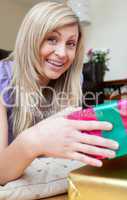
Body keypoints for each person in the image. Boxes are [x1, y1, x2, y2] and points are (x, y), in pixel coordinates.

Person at [0, 1, 119, 185]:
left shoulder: (72, 82)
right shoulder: (2, 80)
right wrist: (35, 138)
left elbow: (68, 148)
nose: (63, 53)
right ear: (31, 38)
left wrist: (117, 125)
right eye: (52, 39)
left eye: (70, 43)